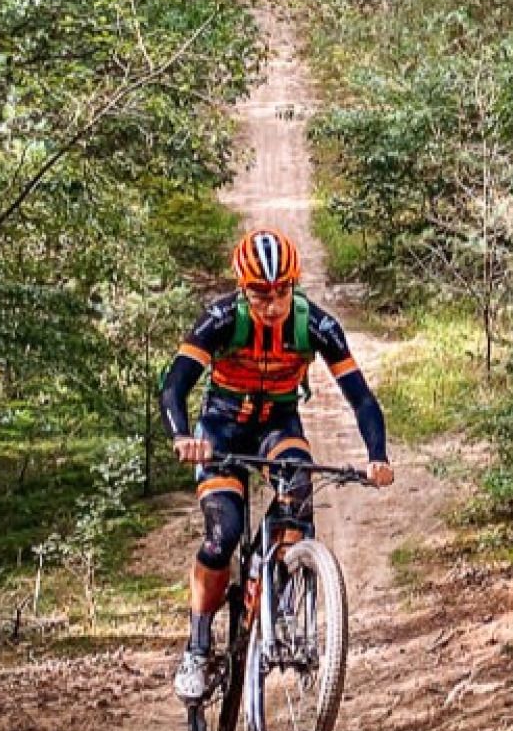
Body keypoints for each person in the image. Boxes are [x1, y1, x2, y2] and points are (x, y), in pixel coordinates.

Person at [158, 227, 395, 701]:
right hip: (222, 428)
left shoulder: (316, 325)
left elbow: (362, 398)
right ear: (243, 289)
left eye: (281, 292)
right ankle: (198, 649)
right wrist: (182, 436)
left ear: (293, 285)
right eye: (260, 294)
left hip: (277, 425)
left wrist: (377, 456)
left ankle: (279, 598)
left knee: (298, 493)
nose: (271, 305)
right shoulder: (221, 319)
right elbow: (174, 385)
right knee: (223, 533)